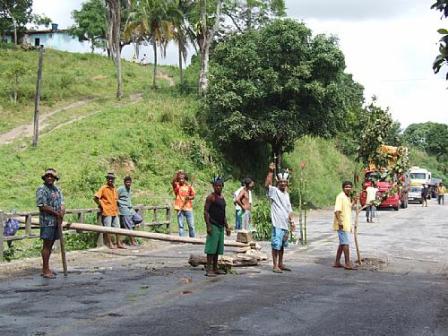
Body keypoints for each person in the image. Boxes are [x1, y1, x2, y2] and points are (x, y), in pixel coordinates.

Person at [264, 163, 295, 273]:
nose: (283, 183)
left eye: (284, 182)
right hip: (277, 224)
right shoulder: (274, 191)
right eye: (281, 182)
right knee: (276, 245)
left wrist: (292, 222)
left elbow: (289, 209)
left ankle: (281, 263)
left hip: (285, 224)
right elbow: (267, 185)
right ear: (278, 182)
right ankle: (275, 265)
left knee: (282, 246)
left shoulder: (286, 194)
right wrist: (270, 172)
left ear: (287, 183)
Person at [36, 168, 65, 279]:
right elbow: (42, 205)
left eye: (51, 176)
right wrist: (56, 213)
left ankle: (47, 268)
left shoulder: (56, 189)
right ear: (44, 177)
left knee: (51, 244)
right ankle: (45, 269)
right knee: (46, 245)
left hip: (56, 222)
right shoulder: (42, 189)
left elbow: (62, 202)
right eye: (47, 176)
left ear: (54, 178)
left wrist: (62, 211)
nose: (49, 178)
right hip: (47, 222)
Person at [204, 176, 231, 277]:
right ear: (213, 186)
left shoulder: (222, 198)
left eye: (220, 186)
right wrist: (208, 226)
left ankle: (215, 268)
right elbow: (206, 211)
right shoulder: (211, 197)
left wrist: (227, 226)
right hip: (213, 224)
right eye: (216, 186)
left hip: (220, 225)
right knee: (211, 249)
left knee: (217, 249)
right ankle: (208, 269)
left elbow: (223, 213)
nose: (218, 188)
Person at [94, 172, 125, 249]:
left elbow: (116, 199)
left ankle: (118, 243)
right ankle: (110, 243)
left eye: (112, 179)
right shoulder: (103, 188)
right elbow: (96, 198)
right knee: (108, 229)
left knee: (118, 228)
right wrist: (102, 205)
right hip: (107, 211)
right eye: (109, 179)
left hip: (114, 211)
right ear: (107, 179)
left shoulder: (114, 188)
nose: (111, 180)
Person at [333, 181, 356, 270]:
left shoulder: (347, 197)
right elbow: (337, 211)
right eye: (346, 187)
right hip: (341, 224)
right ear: (343, 188)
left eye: (350, 187)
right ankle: (347, 263)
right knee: (345, 243)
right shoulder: (340, 197)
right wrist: (340, 222)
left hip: (346, 224)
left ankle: (337, 262)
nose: (348, 188)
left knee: (342, 243)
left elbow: (349, 207)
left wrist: (354, 201)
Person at [117, 176, 143, 246]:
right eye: (127, 182)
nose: (128, 183)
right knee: (129, 228)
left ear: (131, 183)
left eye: (129, 182)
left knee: (139, 219)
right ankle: (133, 242)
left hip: (131, 210)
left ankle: (129, 224)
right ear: (124, 182)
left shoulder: (129, 189)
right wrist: (118, 206)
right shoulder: (120, 189)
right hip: (124, 210)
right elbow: (115, 197)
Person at [172, 170, 196, 237]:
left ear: (185, 179)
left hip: (188, 207)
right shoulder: (177, 186)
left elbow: (193, 196)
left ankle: (193, 239)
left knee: (191, 225)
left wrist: (189, 197)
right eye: (179, 179)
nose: (181, 180)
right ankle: (182, 240)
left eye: (182, 178)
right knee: (181, 226)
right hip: (179, 208)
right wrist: (177, 173)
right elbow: (173, 181)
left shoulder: (189, 186)